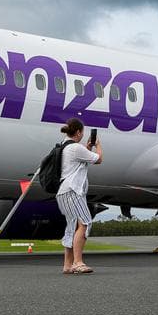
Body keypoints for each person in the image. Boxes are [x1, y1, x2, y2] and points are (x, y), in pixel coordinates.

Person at [54, 118, 101, 275]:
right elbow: (99, 159)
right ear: (79, 132)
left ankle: (67, 264)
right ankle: (78, 262)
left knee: (72, 227)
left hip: (63, 192)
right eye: (82, 132)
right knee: (85, 223)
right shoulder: (75, 147)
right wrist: (98, 145)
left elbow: (78, 164)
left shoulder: (64, 147)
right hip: (73, 191)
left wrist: (87, 148)